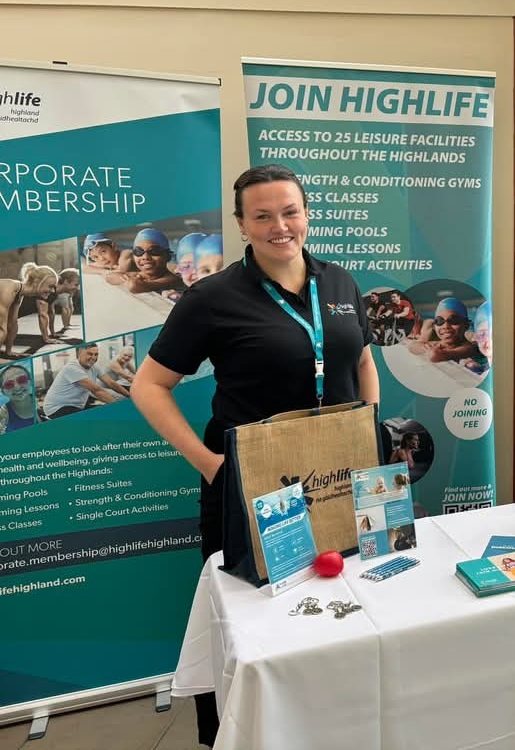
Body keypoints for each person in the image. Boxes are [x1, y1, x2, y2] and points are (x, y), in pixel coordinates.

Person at [129, 163, 379, 750]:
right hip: (252, 490)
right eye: (262, 216)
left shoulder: (339, 283)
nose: (279, 226)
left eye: (289, 211)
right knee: (248, 630)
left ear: (307, 213)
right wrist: (212, 464)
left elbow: (361, 361)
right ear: (242, 225)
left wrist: (365, 436)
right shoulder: (212, 298)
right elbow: (148, 386)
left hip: (339, 481)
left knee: (342, 608)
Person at [42, 344, 127, 418]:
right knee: (97, 419)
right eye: (89, 354)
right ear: (80, 353)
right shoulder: (72, 368)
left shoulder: (94, 367)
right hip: (57, 408)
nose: (93, 357)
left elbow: (110, 382)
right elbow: (96, 390)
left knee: (103, 412)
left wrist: (129, 396)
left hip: (77, 406)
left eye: (96, 354)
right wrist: (118, 408)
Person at [0, 263, 60, 358]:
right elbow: (2, 329)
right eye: (50, 286)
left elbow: (12, 324)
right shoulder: (9, 289)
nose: (53, 291)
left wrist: (9, 352)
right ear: (36, 282)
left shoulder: (18, 293)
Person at [105, 228, 183, 294]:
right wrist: (131, 279)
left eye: (154, 251)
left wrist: (132, 279)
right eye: (139, 251)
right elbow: (110, 276)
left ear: (167, 256)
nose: (145, 257)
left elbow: (134, 286)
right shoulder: (140, 275)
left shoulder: (173, 280)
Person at [407, 297, 481, 364]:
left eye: (453, 320)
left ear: (466, 325)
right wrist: (428, 349)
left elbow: (435, 356)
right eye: (439, 321)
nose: (445, 326)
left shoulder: (470, 348)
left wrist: (432, 350)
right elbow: (412, 346)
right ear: (435, 326)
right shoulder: (437, 343)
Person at [0, 362, 36, 432]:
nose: (17, 387)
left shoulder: (44, 404)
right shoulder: (2, 415)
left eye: (22, 380)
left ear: (30, 381)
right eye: (9, 384)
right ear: (3, 392)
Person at [47, 268, 80, 338]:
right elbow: (43, 315)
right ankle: (65, 325)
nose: (77, 288)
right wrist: (46, 338)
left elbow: (51, 312)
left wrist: (52, 333)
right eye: (76, 285)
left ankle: (66, 325)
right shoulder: (50, 291)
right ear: (66, 282)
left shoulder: (55, 293)